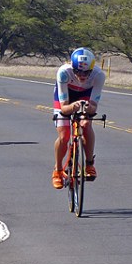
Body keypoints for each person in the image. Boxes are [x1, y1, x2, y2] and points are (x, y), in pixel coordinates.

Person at [51, 48, 107, 189]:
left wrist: (87, 108)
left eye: (86, 73)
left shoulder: (99, 75)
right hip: (66, 97)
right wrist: (72, 106)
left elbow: (93, 107)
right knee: (64, 135)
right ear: (72, 67)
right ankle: (58, 170)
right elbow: (64, 108)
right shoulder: (64, 72)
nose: (81, 76)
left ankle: (89, 164)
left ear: (92, 70)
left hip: (85, 95)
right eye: (78, 71)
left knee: (86, 124)